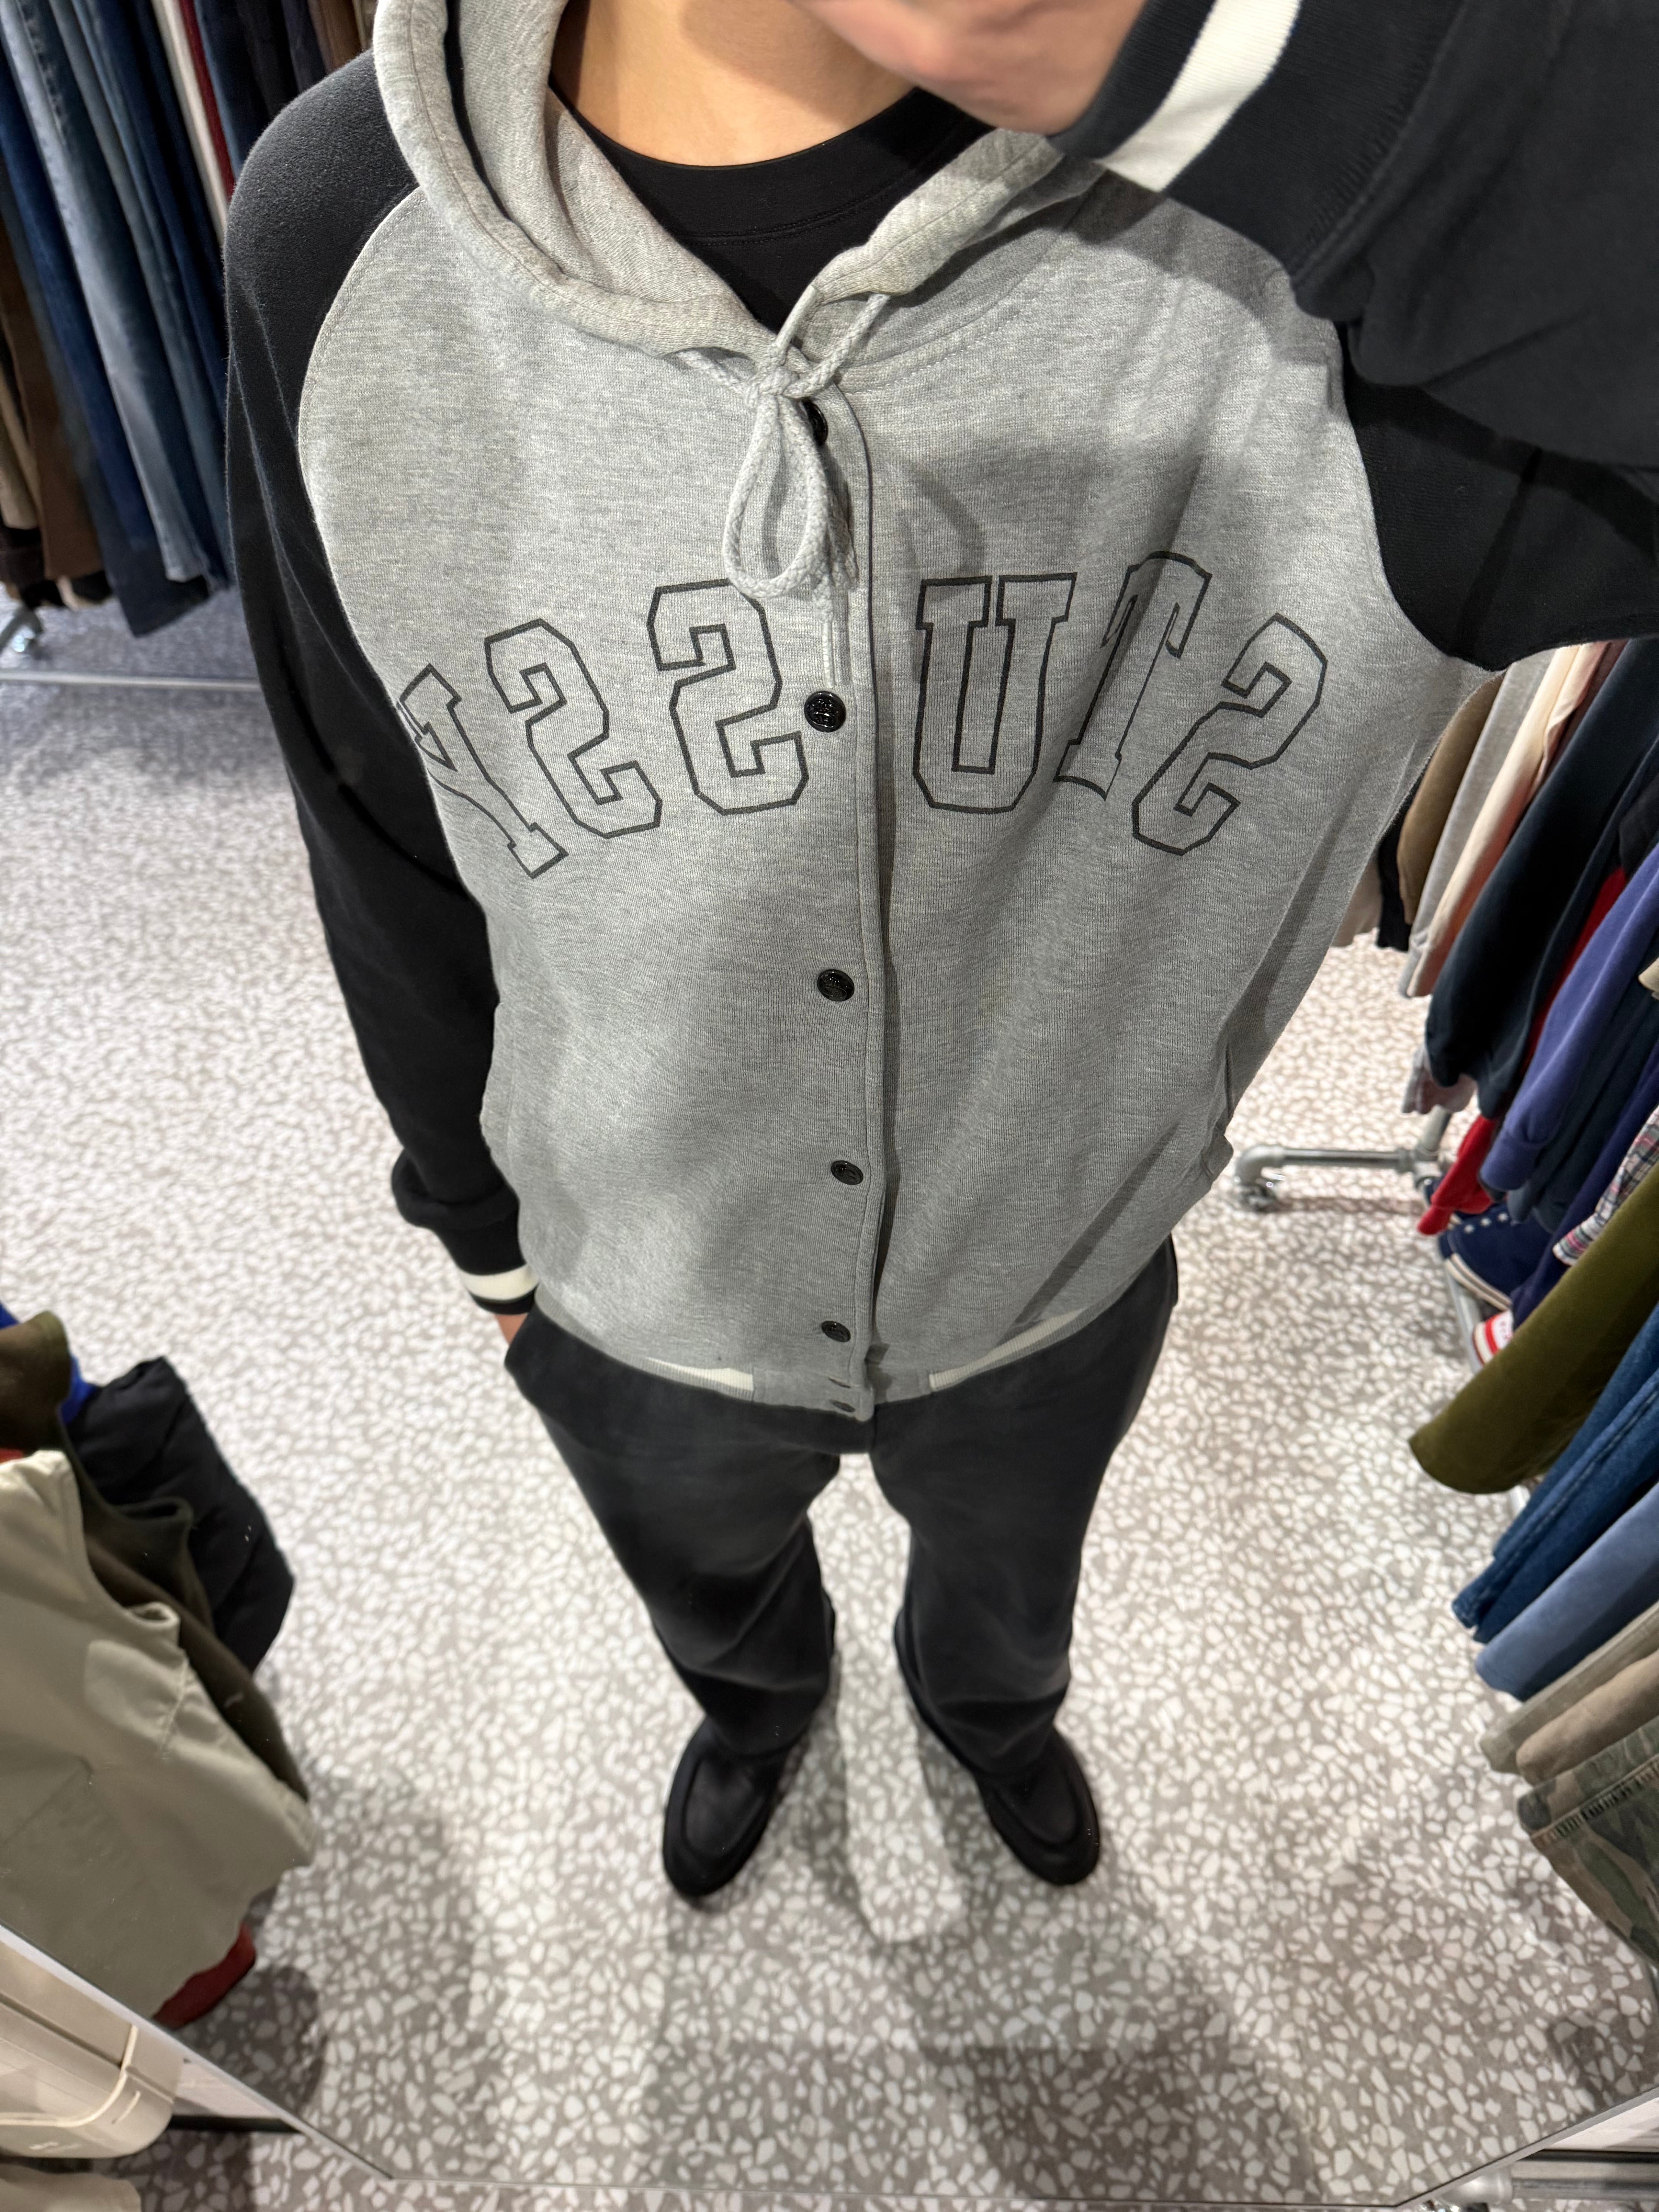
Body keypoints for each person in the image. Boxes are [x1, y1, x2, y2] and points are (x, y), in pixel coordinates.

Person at [225, 0, 1659, 1897]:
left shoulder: (1331, 251)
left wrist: (1259, 64)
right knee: (709, 1587)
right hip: (627, 1277)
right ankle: (758, 1709)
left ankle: (989, 1715)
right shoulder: (338, 222)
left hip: (1051, 1277)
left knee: (1008, 1593)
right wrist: (474, 1225)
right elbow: (370, 807)